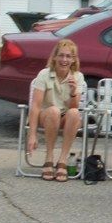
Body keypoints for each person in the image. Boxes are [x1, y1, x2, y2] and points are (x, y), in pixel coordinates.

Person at [27, 39, 84, 182]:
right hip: (47, 115)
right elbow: (35, 105)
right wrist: (32, 135)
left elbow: (74, 107)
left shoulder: (78, 76)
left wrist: (73, 91)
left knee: (75, 113)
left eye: (68, 56)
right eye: (61, 55)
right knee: (53, 111)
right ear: (55, 57)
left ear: (73, 60)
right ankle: (49, 157)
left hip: (65, 116)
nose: (64, 60)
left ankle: (62, 160)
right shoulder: (44, 74)